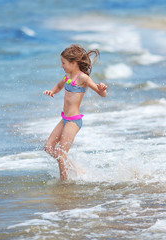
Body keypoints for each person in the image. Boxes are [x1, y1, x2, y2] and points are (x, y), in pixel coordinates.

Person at [43, 44, 107, 181]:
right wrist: (52, 91)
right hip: (64, 119)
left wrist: (102, 89)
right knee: (48, 147)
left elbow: (101, 93)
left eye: (64, 63)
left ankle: (64, 183)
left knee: (61, 152)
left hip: (73, 121)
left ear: (73, 63)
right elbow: (60, 85)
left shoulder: (83, 78)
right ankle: (76, 168)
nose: (62, 66)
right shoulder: (68, 75)